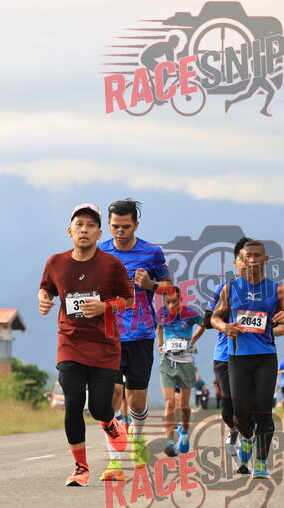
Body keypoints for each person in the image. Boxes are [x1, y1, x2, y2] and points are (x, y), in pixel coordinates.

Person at [39, 203, 135, 487]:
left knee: (99, 408)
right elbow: (46, 288)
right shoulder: (55, 262)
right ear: (69, 231)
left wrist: (105, 306)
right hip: (70, 342)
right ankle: (81, 468)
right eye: (79, 224)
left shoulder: (111, 265)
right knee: (73, 403)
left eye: (91, 225)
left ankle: (109, 422)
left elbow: (129, 300)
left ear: (99, 233)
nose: (84, 229)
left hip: (105, 346)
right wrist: (43, 299)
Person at [211, 240, 284, 479]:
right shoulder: (230, 288)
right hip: (238, 358)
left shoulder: (277, 290)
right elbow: (215, 318)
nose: (252, 260)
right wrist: (225, 327)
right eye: (247, 256)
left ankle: (260, 462)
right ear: (241, 259)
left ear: (265, 260)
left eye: (257, 255)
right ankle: (247, 438)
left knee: (263, 411)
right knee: (240, 412)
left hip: (265, 358)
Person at [97, 199, 171, 479]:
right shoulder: (99, 252)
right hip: (109, 335)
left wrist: (151, 285)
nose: (120, 231)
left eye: (126, 227)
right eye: (115, 226)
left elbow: (170, 290)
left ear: (136, 225)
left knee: (136, 401)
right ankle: (115, 461)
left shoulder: (152, 253)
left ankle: (138, 441)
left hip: (141, 335)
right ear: (108, 225)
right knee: (112, 396)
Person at [156, 286, 203, 457]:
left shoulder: (191, 313)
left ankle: (184, 431)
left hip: (186, 363)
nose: (171, 306)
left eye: (174, 302)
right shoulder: (162, 313)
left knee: (183, 405)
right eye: (167, 302)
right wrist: (160, 345)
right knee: (170, 402)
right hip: (167, 362)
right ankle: (169, 440)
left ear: (181, 300)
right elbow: (159, 328)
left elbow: (204, 325)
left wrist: (193, 340)